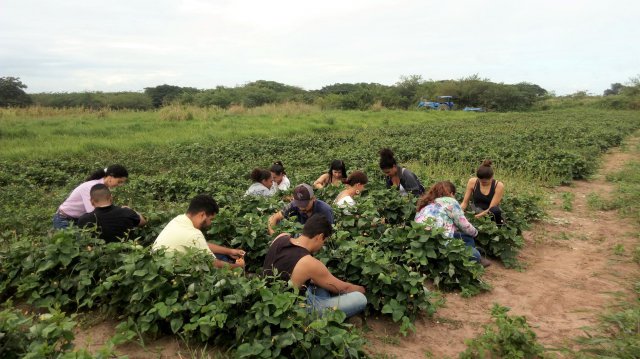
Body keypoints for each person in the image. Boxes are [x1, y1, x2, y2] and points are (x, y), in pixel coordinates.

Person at [263, 214, 367, 318]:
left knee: (318, 283)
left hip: (269, 299)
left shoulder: (281, 237)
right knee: (360, 299)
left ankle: (327, 302)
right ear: (320, 237)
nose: (322, 246)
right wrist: (363, 289)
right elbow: (344, 288)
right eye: (324, 241)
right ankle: (325, 309)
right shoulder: (308, 262)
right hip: (293, 310)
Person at [152, 194, 246, 269]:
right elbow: (214, 265)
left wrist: (230, 251)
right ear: (202, 215)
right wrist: (239, 266)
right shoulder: (193, 233)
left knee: (220, 254)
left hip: (157, 266)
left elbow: (202, 245)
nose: (210, 224)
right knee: (219, 264)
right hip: (173, 275)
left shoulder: (178, 219)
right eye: (211, 219)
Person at [415, 181, 490, 267]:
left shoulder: (427, 202)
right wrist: (476, 233)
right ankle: (470, 257)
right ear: (451, 193)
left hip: (422, 242)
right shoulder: (450, 201)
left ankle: (469, 252)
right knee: (475, 254)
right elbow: (465, 225)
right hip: (440, 244)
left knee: (467, 238)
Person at [53, 164, 129, 229]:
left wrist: (120, 211)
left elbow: (104, 208)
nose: (120, 185)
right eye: (119, 182)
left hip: (79, 218)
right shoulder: (91, 187)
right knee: (79, 243)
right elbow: (94, 213)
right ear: (110, 177)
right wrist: (119, 213)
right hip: (64, 219)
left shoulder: (103, 187)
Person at [77, 184, 147, 242]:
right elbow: (143, 222)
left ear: (92, 201)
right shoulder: (126, 212)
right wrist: (132, 210)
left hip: (98, 257)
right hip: (127, 254)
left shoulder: (83, 220)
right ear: (111, 198)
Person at [268, 184, 334, 235]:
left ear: (313, 199)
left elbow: (328, 234)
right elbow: (273, 218)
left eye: (305, 204)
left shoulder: (325, 210)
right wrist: (274, 236)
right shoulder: (293, 205)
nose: (301, 208)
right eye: (299, 204)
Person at [461, 160, 505, 225]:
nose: (482, 183)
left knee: (495, 210)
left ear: (492, 177)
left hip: (489, 213)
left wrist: (475, 218)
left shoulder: (498, 186)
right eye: (480, 181)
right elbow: (465, 202)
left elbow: (491, 208)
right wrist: (459, 213)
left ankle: (498, 227)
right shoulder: (472, 182)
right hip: (475, 210)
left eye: (485, 182)